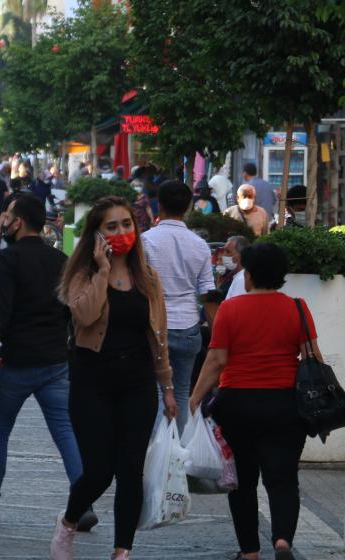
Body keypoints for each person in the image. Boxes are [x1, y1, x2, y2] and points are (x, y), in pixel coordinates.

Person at [53, 196, 176, 560]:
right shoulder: (82, 276)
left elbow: (160, 336)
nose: (122, 232)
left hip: (138, 384)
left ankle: (122, 551)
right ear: (96, 234)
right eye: (112, 226)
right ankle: (68, 521)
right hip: (93, 383)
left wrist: (168, 387)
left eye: (127, 224)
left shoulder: (148, 278)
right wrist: (103, 270)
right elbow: (87, 317)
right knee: (99, 472)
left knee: (130, 471)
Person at [0, 195, 96, 532]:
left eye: (8, 215)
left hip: (16, 363)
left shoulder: (8, 260)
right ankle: (82, 504)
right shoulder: (61, 259)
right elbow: (72, 312)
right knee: (65, 431)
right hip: (56, 361)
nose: (4, 221)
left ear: (20, 222)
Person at [189, 243, 321, 560]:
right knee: (283, 479)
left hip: (237, 405)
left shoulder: (231, 310)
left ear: (247, 275)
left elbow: (216, 361)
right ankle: (282, 542)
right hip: (286, 406)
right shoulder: (298, 308)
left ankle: (249, 552)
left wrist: (194, 399)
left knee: (242, 482)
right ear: (281, 276)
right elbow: (313, 357)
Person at [141, 180, 216, 432]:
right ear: (189, 206)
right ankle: (176, 458)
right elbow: (207, 293)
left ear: (158, 205)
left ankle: (152, 456)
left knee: (153, 392)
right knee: (182, 390)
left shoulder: (145, 241)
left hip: (153, 327)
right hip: (188, 327)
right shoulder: (200, 246)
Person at [220, 235, 252, 301]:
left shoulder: (242, 279)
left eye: (228, 252)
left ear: (240, 255)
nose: (223, 255)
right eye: (224, 251)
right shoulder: (235, 276)